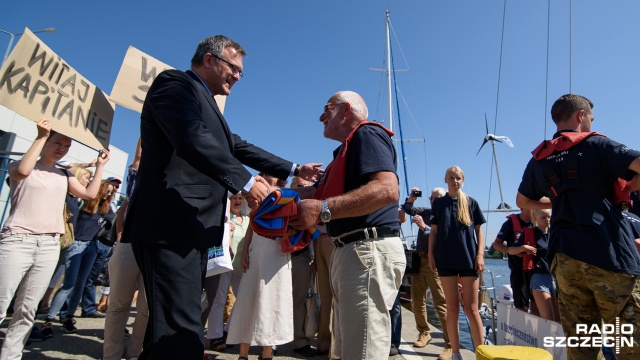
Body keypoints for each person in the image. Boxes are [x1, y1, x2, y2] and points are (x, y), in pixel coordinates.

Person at [120, 34, 322, 359]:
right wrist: (245, 181)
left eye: (241, 71)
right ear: (210, 60)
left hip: (191, 231)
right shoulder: (174, 84)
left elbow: (238, 146)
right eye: (234, 67)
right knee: (179, 332)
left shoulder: (210, 107)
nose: (238, 76)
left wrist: (294, 168)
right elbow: (191, 137)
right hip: (170, 227)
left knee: (172, 331)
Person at [516, 94, 640, 359]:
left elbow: (523, 200)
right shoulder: (597, 144)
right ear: (581, 116)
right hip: (608, 253)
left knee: (583, 342)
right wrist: (628, 187)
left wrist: (560, 200)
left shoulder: (540, 158)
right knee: (627, 340)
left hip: (565, 256)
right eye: (591, 118)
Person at [290, 91, 406, 360]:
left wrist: (324, 210)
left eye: (326, 109)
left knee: (363, 349)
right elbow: (315, 194)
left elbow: (388, 189)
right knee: (351, 346)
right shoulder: (346, 150)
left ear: (346, 110)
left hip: (365, 251)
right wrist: (272, 197)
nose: (321, 116)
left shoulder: (365, 134)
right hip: (352, 253)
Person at [0, 119, 109, 359]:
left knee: (27, 310)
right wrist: (40, 136)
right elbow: (23, 172)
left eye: (67, 145)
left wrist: (100, 166)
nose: (62, 148)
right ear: (45, 142)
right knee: (1, 301)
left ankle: (11, 355)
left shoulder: (64, 174)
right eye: (57, 142)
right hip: (18, 240)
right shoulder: (21, 165)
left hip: (49, 244)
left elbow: (90, 193)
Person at [43, 180, 116, 335]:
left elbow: (117, 218)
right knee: (69, 284)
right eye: (107, 191)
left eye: (111, 192)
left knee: (81, 283)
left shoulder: (106, 209)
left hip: (91, 246)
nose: (109, 194)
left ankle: (68, 318)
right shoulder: (83, 204)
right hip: (76, 244)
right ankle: (49, 319)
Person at [428, 166, 486, 360]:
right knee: (452, 308)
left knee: (472, 309)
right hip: (445, 259)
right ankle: (455, 353)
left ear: (463, 180)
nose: (455, 181)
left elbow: (478, 231)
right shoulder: (439, 204)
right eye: (451, 178)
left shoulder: (471, 203)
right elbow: (434, 232)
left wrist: (480, 255)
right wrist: (430, 254)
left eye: (458, 178)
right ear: (446, 180)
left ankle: (481, 352)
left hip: (469, 259)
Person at [103, 138, 147, 360]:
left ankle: (134, 354)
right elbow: (138, 157)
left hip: (155, 249)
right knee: (118, 304)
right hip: (128, 245)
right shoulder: (136, 178)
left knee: (146, 310)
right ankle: (111, 355)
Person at [403, 186, 452, 360]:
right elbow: (407, 209)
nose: (433, 200)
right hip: (420, 260)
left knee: (441, 303)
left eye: (437, 198)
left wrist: (423, 226)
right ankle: (424, 332)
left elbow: (442, 236)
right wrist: (412, 197)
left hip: (436, 263)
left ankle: (449, 344)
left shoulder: (447, 215)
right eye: (432, 198)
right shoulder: (426, 211)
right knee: (417, 300)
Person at [509, 209, 559, 321]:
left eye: (549, 217)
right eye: (543, 217)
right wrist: (524, 248)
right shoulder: (530, 233)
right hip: (539, 277)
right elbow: (511, 250)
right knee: (549, 320)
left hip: (555, 278)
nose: (547, 220)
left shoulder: (554, 233)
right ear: (535, 218)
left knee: (559, 321)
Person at [492, 209, 534, 312]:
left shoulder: (539, 221)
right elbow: (496, 244)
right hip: (518, 271)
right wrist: (511, 250)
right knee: (521, 307)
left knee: (538, 305)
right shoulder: (510, 223)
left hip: (536, 271)